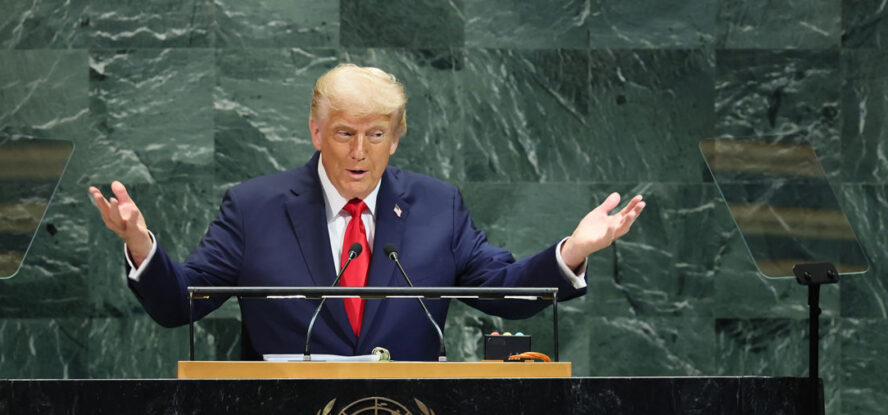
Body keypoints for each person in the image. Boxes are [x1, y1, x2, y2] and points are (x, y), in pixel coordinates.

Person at [89, 64, 645, 360]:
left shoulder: (437, 206)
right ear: (315, 132)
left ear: (396, 138)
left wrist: (573, 251)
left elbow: (502, 290)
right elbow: (180, 304)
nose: (360, 151)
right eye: (345, 133)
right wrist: (140, 245)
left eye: (376, 134)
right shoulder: (255, 207)